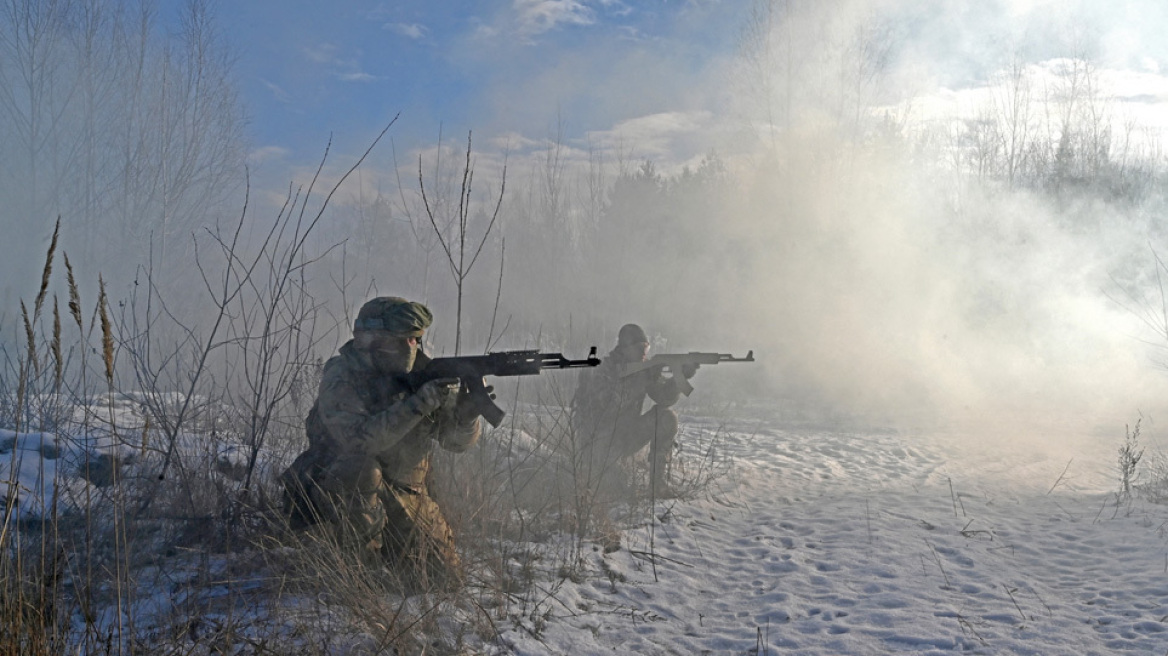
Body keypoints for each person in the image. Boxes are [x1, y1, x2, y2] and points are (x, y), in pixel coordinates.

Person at [280, 297, 482, 590]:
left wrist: (468, 416)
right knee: (360, 469)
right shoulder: (343, 376)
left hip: (404, 494)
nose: (410, 348)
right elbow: (360, 441)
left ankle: (390, 557)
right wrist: (419, 403)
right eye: (401, 340)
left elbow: (455, 442)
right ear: (370, 340)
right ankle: (356, 577)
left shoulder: (424, 374)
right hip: (337, 492)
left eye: (415, 340)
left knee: (445, 582)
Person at [571, 323, 697, 498]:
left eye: (646, 347)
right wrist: (638, 381)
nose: (644, 352)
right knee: (614, 492)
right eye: (639, 347)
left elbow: (664, 399)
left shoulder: (642, 369)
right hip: (598, 445)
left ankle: (657, 485)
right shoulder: (602, 370)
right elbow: (607, 409)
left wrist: (679, 377)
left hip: (626, 436)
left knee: (667, 418)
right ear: (624, 348)